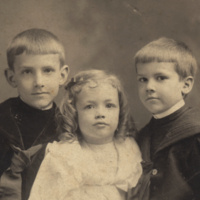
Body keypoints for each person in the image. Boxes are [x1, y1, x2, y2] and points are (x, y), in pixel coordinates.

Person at [28, 69, 142, 200]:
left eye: (109, 105)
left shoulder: (129, 149)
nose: (100, 113)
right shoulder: (63, 155)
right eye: (89, 106)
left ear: (119, 111)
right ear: (75, 113)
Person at [0, 28, 69, 200]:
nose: (39, 82)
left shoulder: (69, 128)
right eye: (27, 72)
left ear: (62, 75)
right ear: (11, 77)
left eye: (47, 70)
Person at [134, 37, 200, 200]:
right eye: (143, 79)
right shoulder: (141, 137)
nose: (149, 87)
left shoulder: (195, 133)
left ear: (186, 84)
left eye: (160, 78)